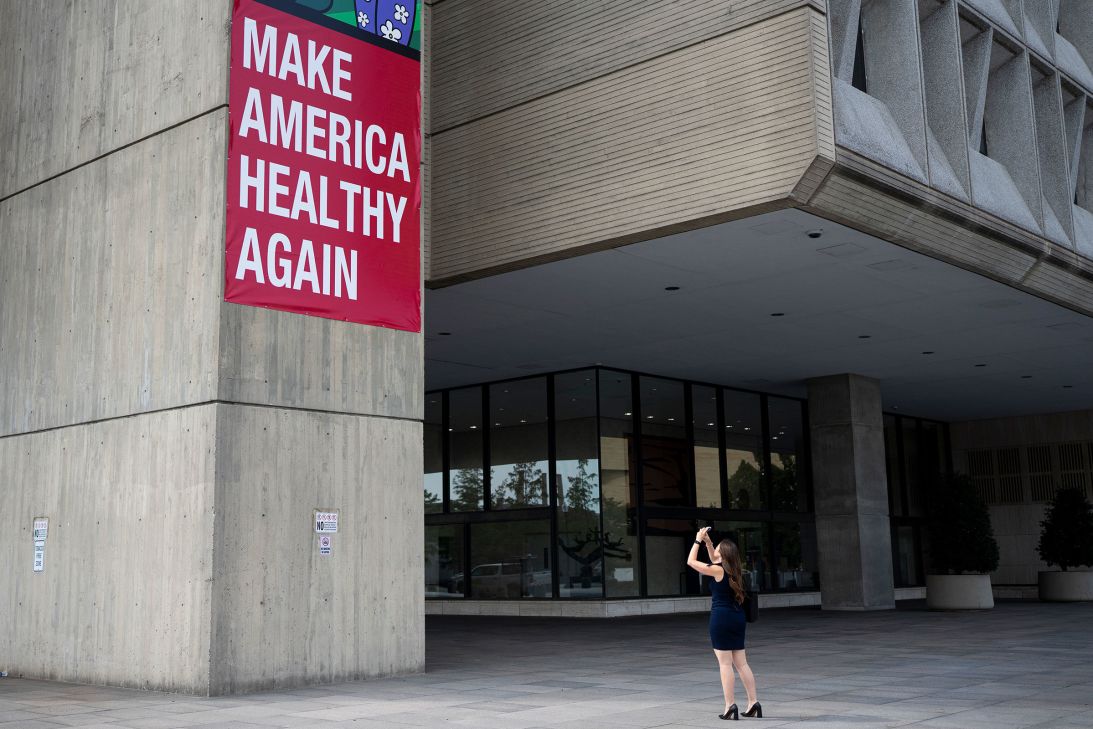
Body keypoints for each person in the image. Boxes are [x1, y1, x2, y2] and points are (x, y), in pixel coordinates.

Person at [687, 527, 761, 720]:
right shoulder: (735, 571)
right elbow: (713, 558)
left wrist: (696, 541)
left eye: (717, 548)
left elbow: (691, 562)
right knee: (742, 663)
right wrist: (709, 543)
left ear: (723, 554)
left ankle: (730, 706)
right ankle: (753, 702)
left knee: (725, 665)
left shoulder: (717, 570)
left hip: (721, 619)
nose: (714, 551)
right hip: (737, 619)